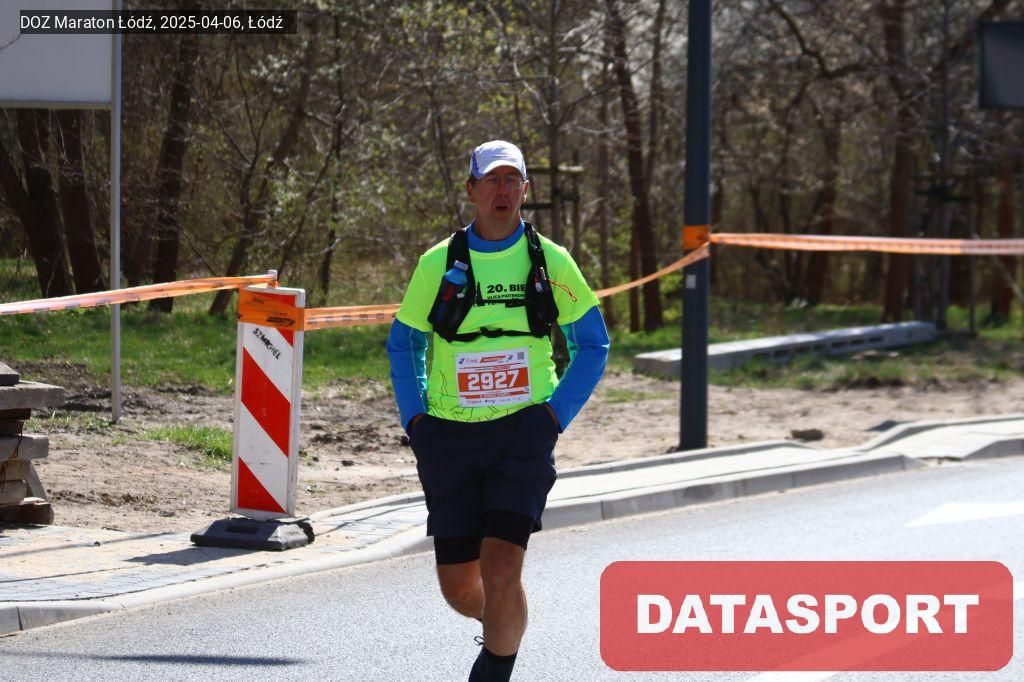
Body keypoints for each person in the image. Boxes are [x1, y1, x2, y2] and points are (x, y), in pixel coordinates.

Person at [386, 140, 609, 681]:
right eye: (492, 180)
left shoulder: (551, 261)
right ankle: (504, 620)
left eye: (512, 180)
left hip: (523, 434)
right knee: (461, 588)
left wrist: (553, 417)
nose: (502, 190)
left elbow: (593, 344)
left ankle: (495, 667)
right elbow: (404, 344)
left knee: (503, 565)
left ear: (525, 190)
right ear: (472, 190)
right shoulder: (437, 263)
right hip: (448, 436)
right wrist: (416, 421)